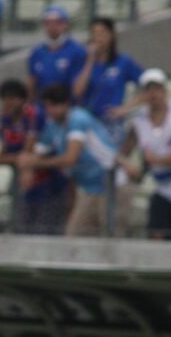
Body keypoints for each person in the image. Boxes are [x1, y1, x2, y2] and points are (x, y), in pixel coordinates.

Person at [117, 69, 171, 240]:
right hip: (163, 188)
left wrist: (159, 160)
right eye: (148, 90)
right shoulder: (139, 120)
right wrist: (125, 164)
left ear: (164, 90)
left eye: (157, 89)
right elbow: (124, 150)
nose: (153, 94)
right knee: (157, 233)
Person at [23, 83, 118, 238]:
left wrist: (34, 164)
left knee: (111, 236)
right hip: (89, 188)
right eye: (47, 107)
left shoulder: (78, 119)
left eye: (53, 106)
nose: (50, 111)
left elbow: (70, 158)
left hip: (111, 184)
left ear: (66, 104)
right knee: (74, 235)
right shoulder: (53, 124)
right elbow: (38, 152)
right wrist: (27, 168)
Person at [0, 79, 67, 235]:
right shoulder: (5, 119)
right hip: (25, 185)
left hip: (48, 183)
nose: (8, 103)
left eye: (13, 98)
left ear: (23, 100)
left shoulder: (33, 114)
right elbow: (3, 152)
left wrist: (26, 164)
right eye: (5, 99)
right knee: (23, 227)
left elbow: (29, 149)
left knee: (46, 229)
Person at [73, 18, 144, 144]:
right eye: (94, 34)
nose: (98, 38)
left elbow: (147, 85)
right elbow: (77, 91)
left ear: (112, 36)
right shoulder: (84, 62)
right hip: (89, 120)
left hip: (111, 122)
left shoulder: (123, 62)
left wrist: (125, 108)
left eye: (102, 33)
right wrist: (90, 60)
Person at [27, 6, 88, 104]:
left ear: (65, 24)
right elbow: (32, 81)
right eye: (48, 23)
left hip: (68, 107)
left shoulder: (77, 51)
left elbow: (79, 85)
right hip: (43, 106)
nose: (52, 27)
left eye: (57, 23)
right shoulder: (37, 52)